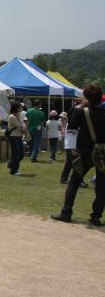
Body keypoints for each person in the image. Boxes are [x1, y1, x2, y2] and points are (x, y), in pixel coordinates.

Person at [51, 83, 105, 226]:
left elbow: (72, 125)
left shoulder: (83, 112)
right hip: (102, 154)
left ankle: (66, 212)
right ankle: (96, 217)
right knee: (102, 185)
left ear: (86, 98)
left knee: (75, 181)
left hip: (85, 153)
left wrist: (81, 107)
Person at [6, 101, 26, 176]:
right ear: (17, 108)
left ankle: (11, 164)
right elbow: (19, 125)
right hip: (13, 136)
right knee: (16, 154)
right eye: (20, 107)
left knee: (21, 154)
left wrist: (23, 125)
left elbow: (23, 125)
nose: (22, 108)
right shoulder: (12, 116)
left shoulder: (18, 116)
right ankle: (14, 170)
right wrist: (23, 125)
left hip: (19, 136)